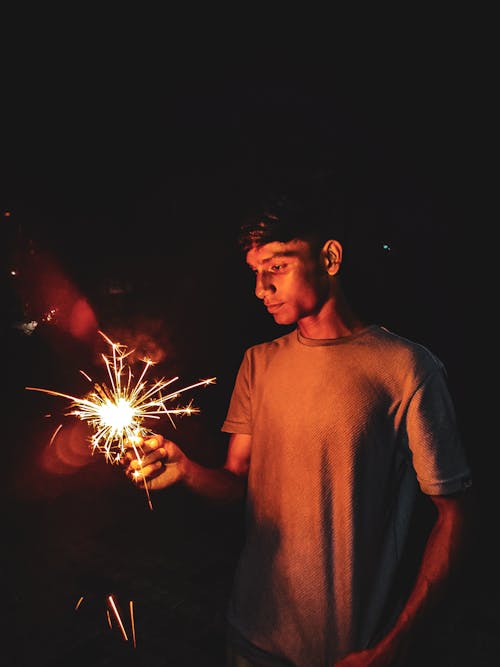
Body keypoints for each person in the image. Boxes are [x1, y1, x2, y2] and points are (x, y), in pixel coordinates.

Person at [122, 187, 473, 666]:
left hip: (353, 651)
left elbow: (455, 515)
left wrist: (395, 647)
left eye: (277, 267)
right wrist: (184, 469)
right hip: (251, 638)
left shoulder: (408, 368)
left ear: (329, 258)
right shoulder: (258, 364)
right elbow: (237, 485)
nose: (260, 288)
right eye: (254, 273)